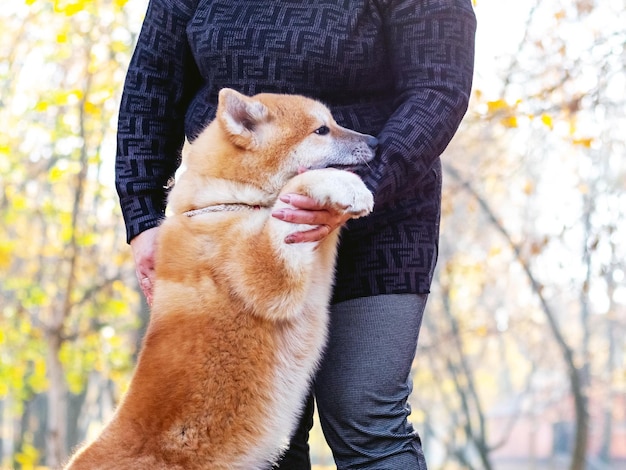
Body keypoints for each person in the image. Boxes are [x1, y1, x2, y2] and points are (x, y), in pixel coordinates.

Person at [115, 0, 476, 468]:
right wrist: (142, 215)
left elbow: (439, 87)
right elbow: (152, 84)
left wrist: (359, 187)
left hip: (381, 218)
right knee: (259, 433)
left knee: (365, 416)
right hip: (233, 226)